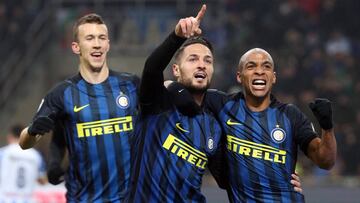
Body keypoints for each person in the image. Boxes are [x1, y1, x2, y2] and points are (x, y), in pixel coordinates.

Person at [19, 13, 139, 202]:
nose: (97, 44)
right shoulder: (61, 93)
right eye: (89, 38)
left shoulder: (131, 85)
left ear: (108, 44)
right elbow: (24, 143)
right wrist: (33, 131)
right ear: (76, 47)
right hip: (83, 198)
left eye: (101, 38)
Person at [202, 48, 337, 202]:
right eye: (251, 66)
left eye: (266, 66)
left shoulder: (290, 115)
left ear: (273, 77)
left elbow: (326, 161)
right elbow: (177, 92)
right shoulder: (222, 105)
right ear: (239, 76)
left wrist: (327, 128)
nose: (259, 71)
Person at [126, 5, 225, 202]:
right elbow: (152, 69)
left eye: (208, 61)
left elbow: (226, 180)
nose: (201, 65)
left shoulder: (214, 126)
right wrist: (176, 36)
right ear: (176, 70)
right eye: (193, 59)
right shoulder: (157, 102)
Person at [0, 124, 47, 202]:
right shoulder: (36, 156)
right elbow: (43, 181)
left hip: (5, 199)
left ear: (10, 137)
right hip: (27, 199)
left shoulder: (3, 153)